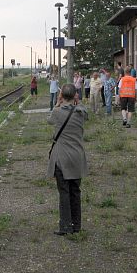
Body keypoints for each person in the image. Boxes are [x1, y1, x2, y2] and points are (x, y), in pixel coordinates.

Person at [47, 84, 88, 235]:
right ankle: (77, 225)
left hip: (62, 158)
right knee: (75, 191)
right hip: (77, 157)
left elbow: (49, 120)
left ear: (61, 96)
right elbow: (83, 110)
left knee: (64, 192)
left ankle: (65, 226)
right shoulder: (82, 112)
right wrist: (77, 101)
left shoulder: (57, 112)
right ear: (75, 96)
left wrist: (58, 103)